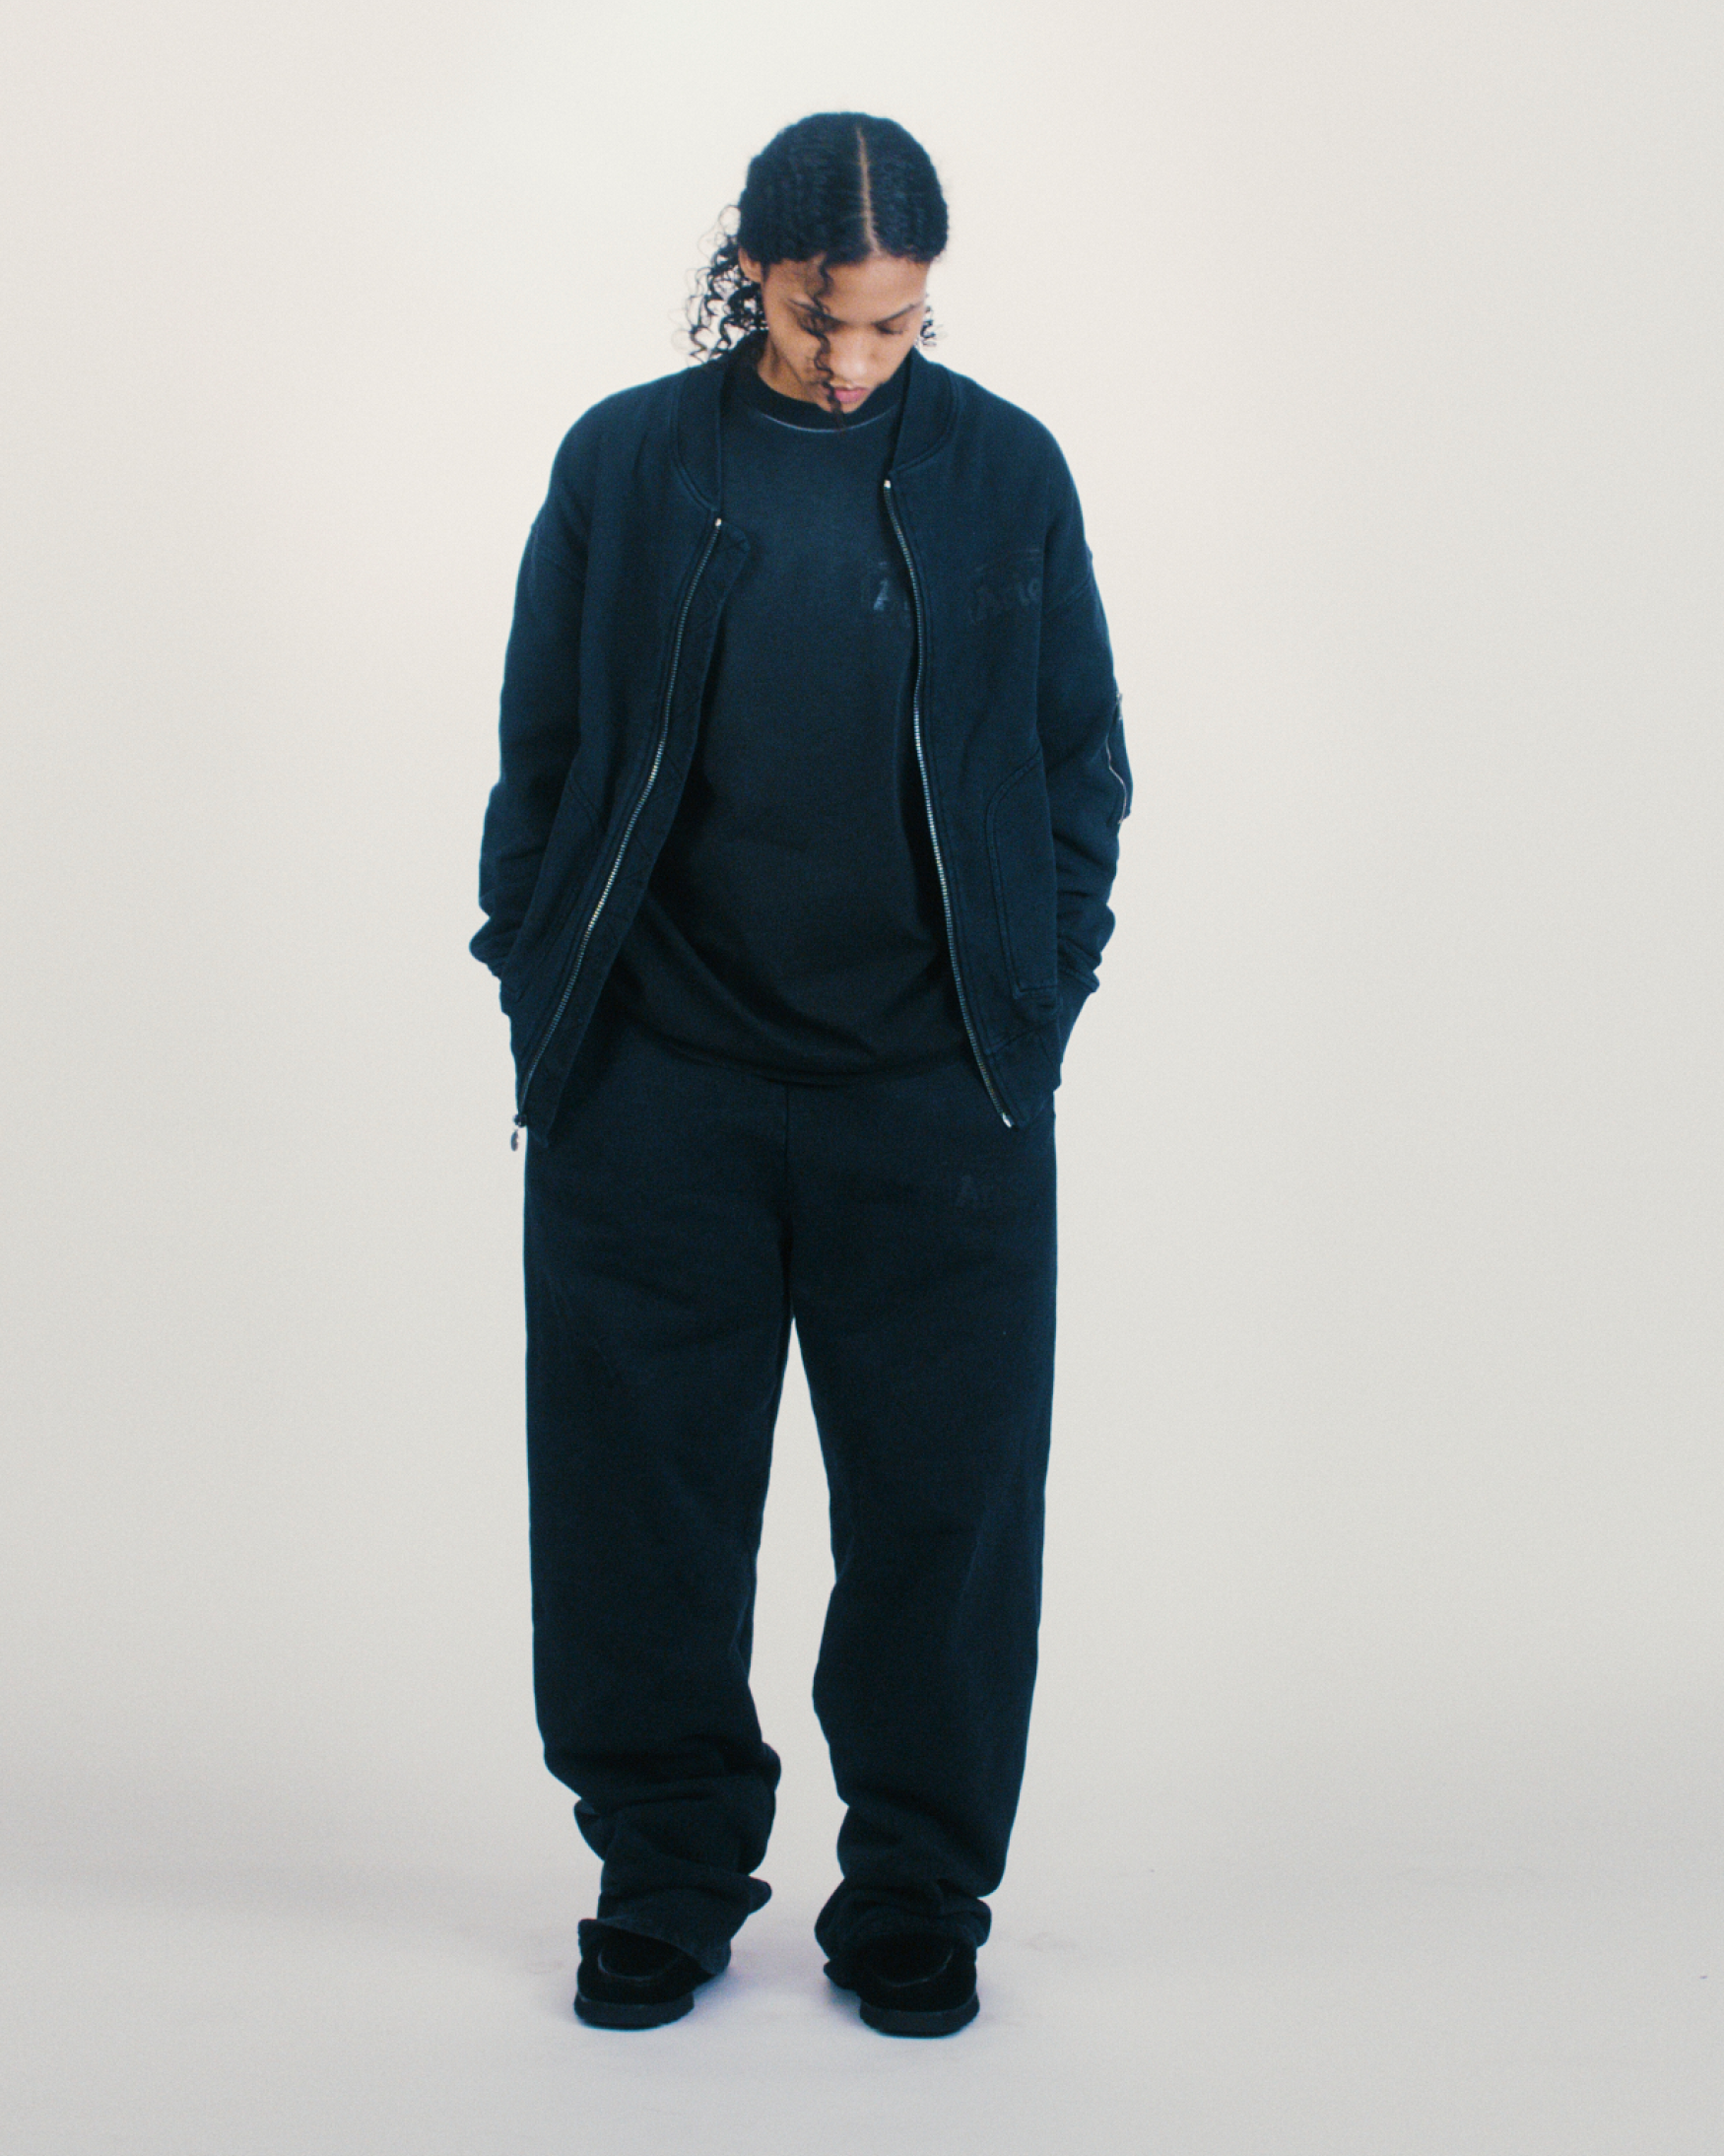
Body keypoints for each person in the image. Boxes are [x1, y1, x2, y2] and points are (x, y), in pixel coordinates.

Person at [471, 111, 1129, 2037]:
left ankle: (916, 1886)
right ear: (750, 270)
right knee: (635, 1508)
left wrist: (1032, 1001)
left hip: (936, 1097)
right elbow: (540, 750)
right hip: (654, 1087)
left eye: (893, 326)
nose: (854, 362)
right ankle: (663, 1871)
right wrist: (542, 982)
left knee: (943, 1517)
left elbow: (1077, 761)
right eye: (819, 318)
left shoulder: (1005, 471)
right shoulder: (627, 461)